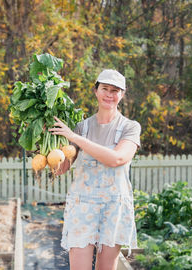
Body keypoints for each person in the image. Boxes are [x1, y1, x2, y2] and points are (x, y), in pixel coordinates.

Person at [49, 69, 141, 270]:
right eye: (105, 89)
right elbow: (61, 168)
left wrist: (74, 138)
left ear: (122, 94)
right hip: (83, 206)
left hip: (113, 207)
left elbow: (117, 158)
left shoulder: (130, 127)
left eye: (115, 90)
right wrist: (47, 145)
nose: (109, 94)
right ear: (96, 91)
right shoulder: (82, 127)